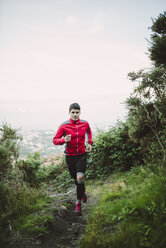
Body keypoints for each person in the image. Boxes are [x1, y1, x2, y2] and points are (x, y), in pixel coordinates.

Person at [53, 103, 93, 215]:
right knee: (76, 180)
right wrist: (64, 140)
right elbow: (55, 140)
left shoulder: (85, 123)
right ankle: (82, 193)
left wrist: (90, 143)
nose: (75, 114)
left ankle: (78, 203)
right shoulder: (63, 126)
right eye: (73, 112)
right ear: (69, 113)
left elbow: (88, 132)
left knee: (80, 177)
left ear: (80, 112)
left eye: (77, 112)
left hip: (81, 155)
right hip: (70, 157)